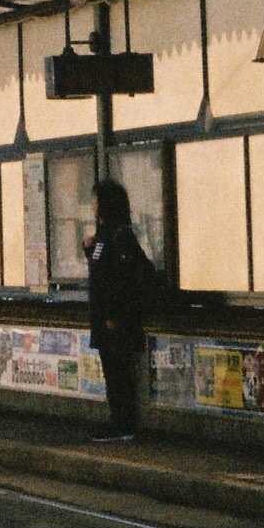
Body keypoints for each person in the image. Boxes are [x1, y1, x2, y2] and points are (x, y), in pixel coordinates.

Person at [82, 184, 159, 440]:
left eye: (96, 200)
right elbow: (102, 270)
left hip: (116, 321)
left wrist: (114, 315)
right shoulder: (105, 236)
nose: (93, 204)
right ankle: (118, 421)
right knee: (113, 373)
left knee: (119, 375)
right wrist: (89, 251)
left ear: (105, 203)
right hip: (107, 319)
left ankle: (123, 425)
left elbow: (120, 278)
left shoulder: (119, 235)